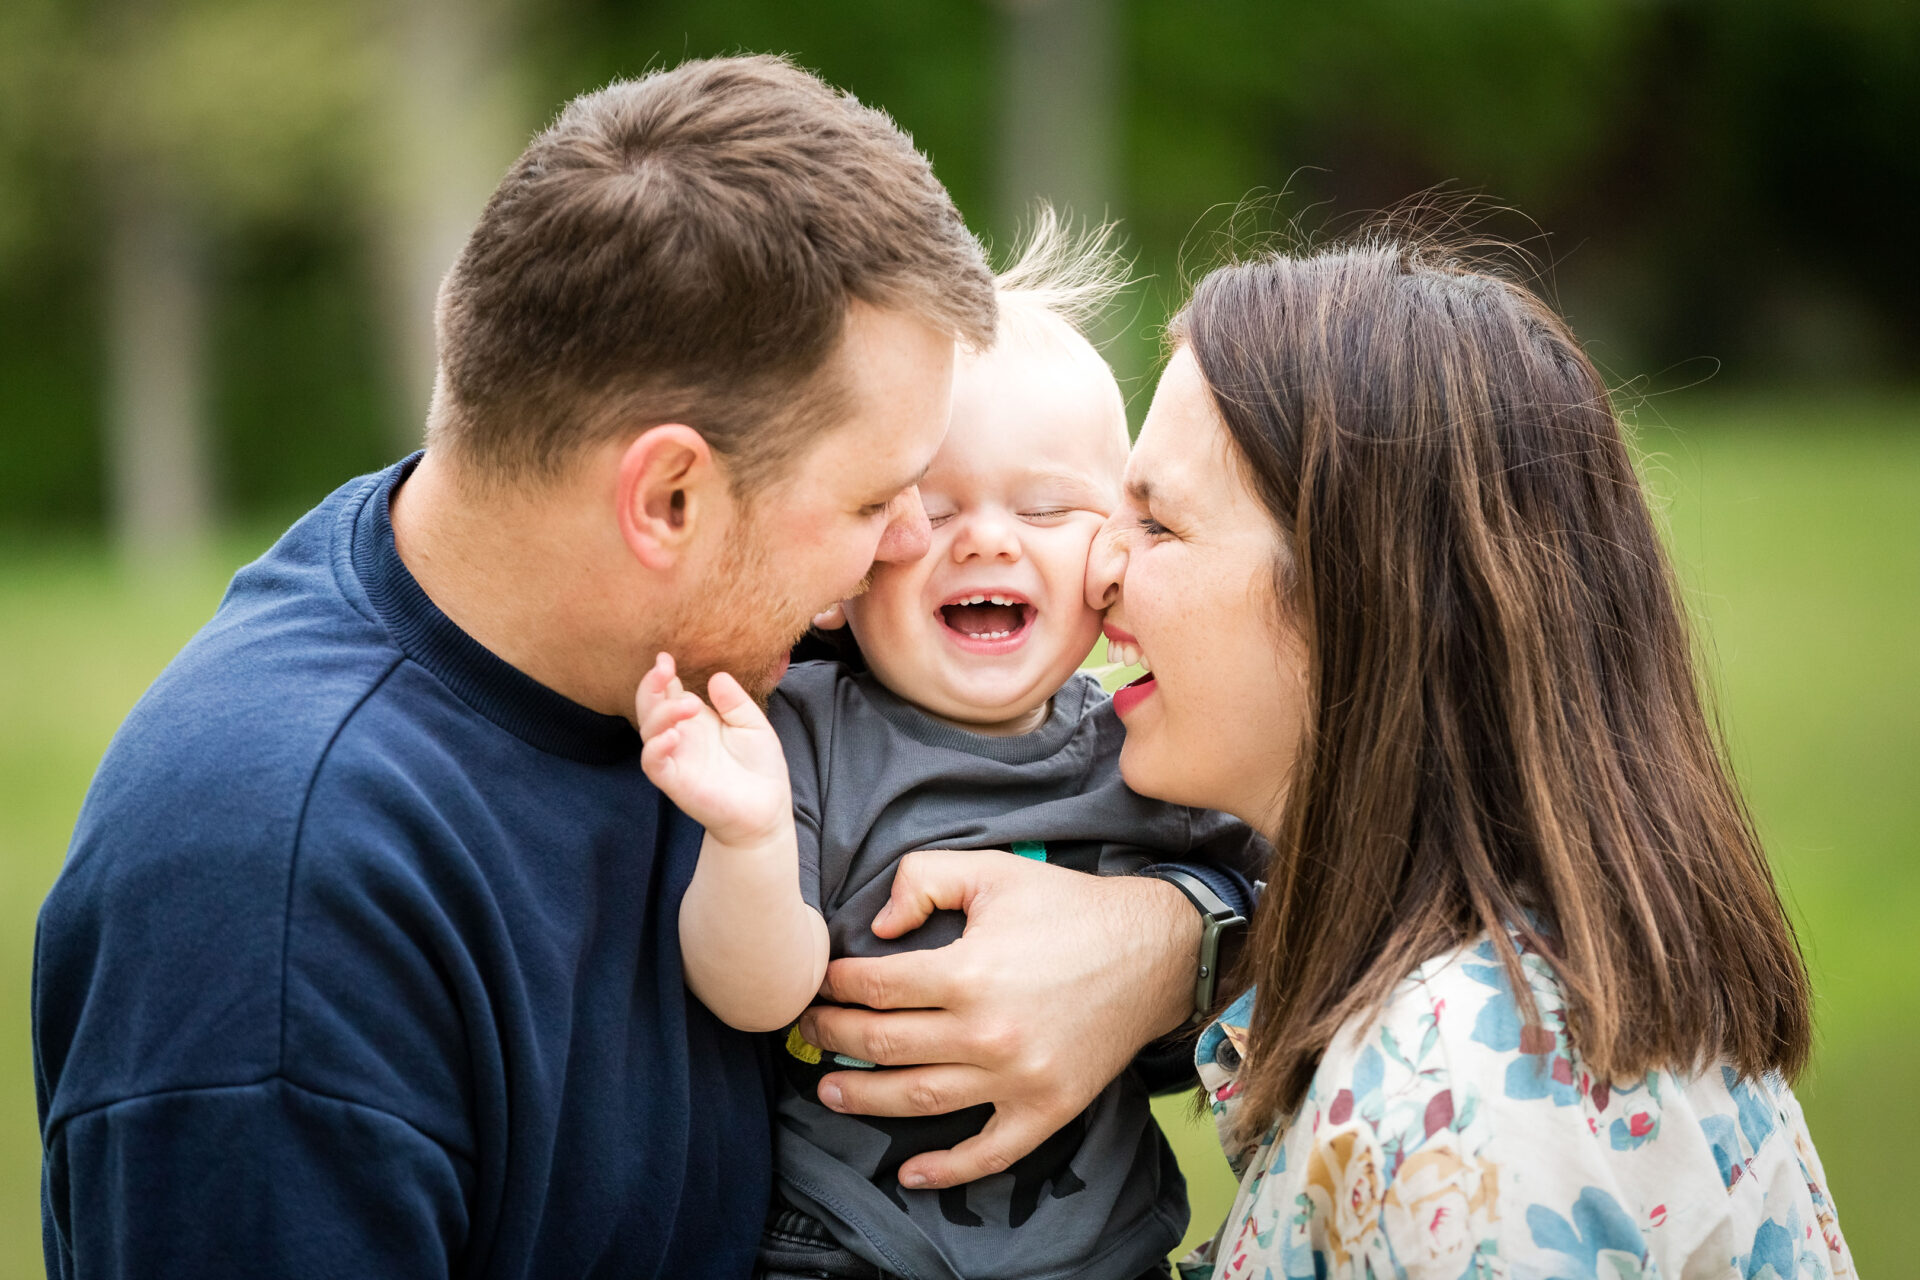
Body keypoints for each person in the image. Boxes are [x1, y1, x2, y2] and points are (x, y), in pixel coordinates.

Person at [33, 58, 1241, 1279]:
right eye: (883, 497)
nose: (917, 548)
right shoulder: (276, 914)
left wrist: (1166, 940)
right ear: (667, 497)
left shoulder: (698, 617)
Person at [1083, 237, 1855, 1279]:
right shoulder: (1544, 1015)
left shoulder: (1458, 1114)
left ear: (1361, 595)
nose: (1095, 565)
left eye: (1158, 522)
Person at [636, 217, 1263, 1280]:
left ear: (1113, 553)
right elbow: (752, 991)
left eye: (1050, 505)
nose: (986, 537)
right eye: (928, 507)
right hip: (844, 1250)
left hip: (1105, 1255)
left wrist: (1188, 947)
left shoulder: (1151, 751)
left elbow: (1260, 973)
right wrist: (744, 839)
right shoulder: (803, 735)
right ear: (850, 564)